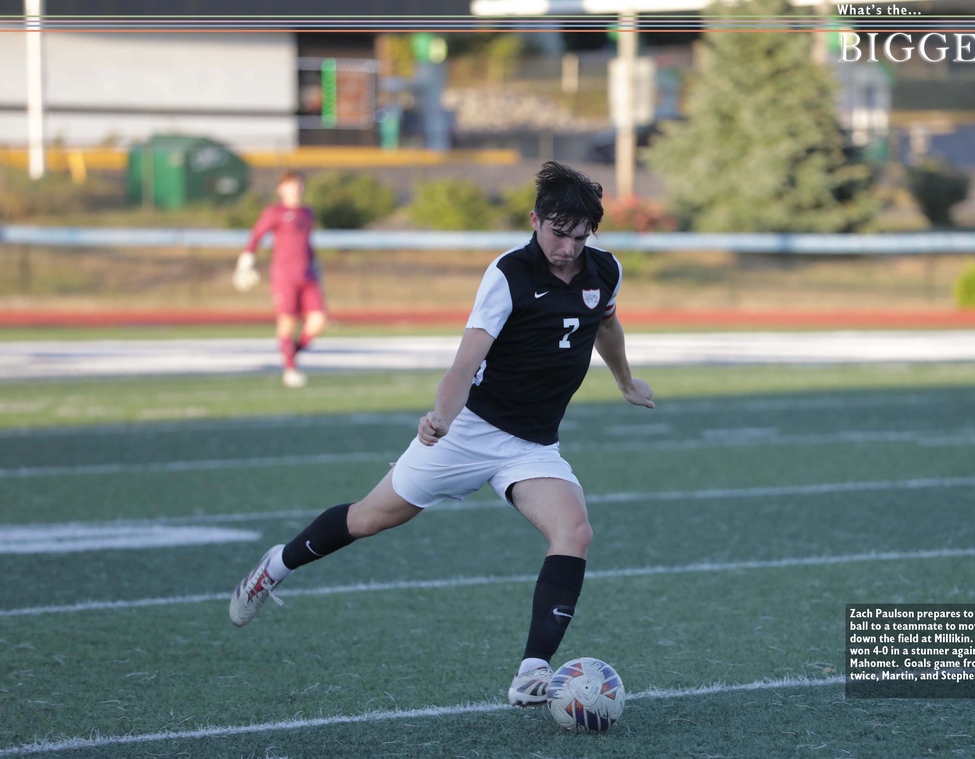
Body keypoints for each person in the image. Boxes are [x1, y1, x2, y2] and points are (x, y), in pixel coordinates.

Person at [228, 161, 655, 707]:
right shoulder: (508, 274)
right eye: (558, 233)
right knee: (368, 518)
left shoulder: (605, 270)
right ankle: (275, 566)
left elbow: (606, 326)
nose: (568, 248)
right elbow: (465, 361)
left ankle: (531, 672)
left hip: (532, 445)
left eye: (580, 237)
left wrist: (624, 380)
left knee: (574, 531)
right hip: (469, 430)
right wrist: (441, 417)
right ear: (535, 219)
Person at [233, 170, 327, 388]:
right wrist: (246, 261)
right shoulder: (274, 212)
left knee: (318, 320)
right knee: (288, 321)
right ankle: (290, 369)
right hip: (285, 275)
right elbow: (256, 236)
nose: (296, 189)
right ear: (280, 189)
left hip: (308, 274)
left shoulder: (307, 213)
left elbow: (306, 242)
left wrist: (315, 263)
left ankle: (290, 353)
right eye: (291, 185)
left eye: (298, 184)